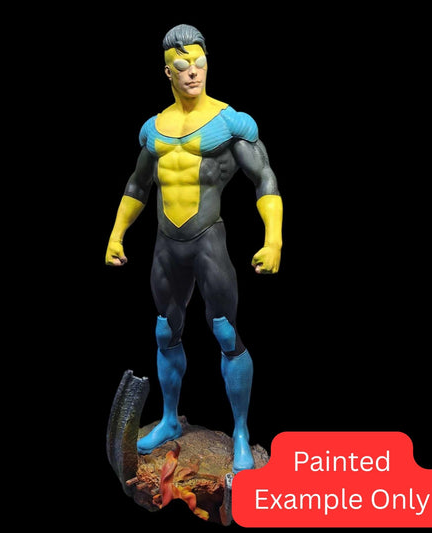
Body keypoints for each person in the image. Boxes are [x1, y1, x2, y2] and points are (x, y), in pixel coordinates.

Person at [105, 24, 283, 473]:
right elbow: (138, 185)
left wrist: (274, 239)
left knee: (225, 333)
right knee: (165, 331)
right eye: (182, 66)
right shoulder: (154, 129)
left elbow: (263, 177)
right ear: (167, 71)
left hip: (208, 242)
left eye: (199, 63)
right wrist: (116, 234)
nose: (192, 73)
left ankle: (239, 432)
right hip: (167, 247)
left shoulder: (229, 123)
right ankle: (169, 419)